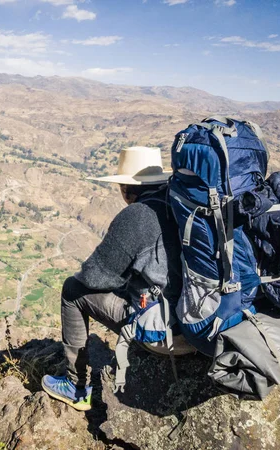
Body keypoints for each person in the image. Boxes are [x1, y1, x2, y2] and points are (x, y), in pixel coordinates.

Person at [42, 146, 192, 411]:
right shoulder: (182, 204)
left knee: (72, 290)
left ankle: (75, 387)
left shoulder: (137, 216)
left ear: (125, 188)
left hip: (168, 336)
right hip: (201, 328)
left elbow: (93, 276)